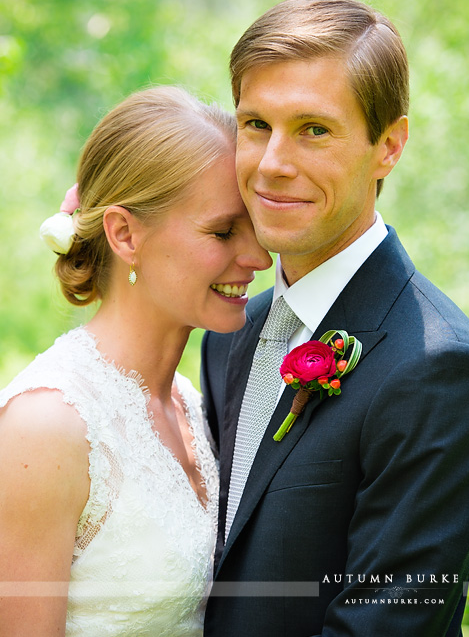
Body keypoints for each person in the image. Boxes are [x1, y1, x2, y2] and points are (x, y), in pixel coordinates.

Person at [201, 0, 469, 636]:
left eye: (313, 129)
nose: (273, 164)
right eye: (255, 124)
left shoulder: (443, 370)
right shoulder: (227, 336)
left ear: (388, 145)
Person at [0, 85, 271, 637]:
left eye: (253, 227)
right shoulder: (47, 427)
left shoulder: (193, 404)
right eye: (222, 231)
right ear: (124, 233)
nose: (259, 258)